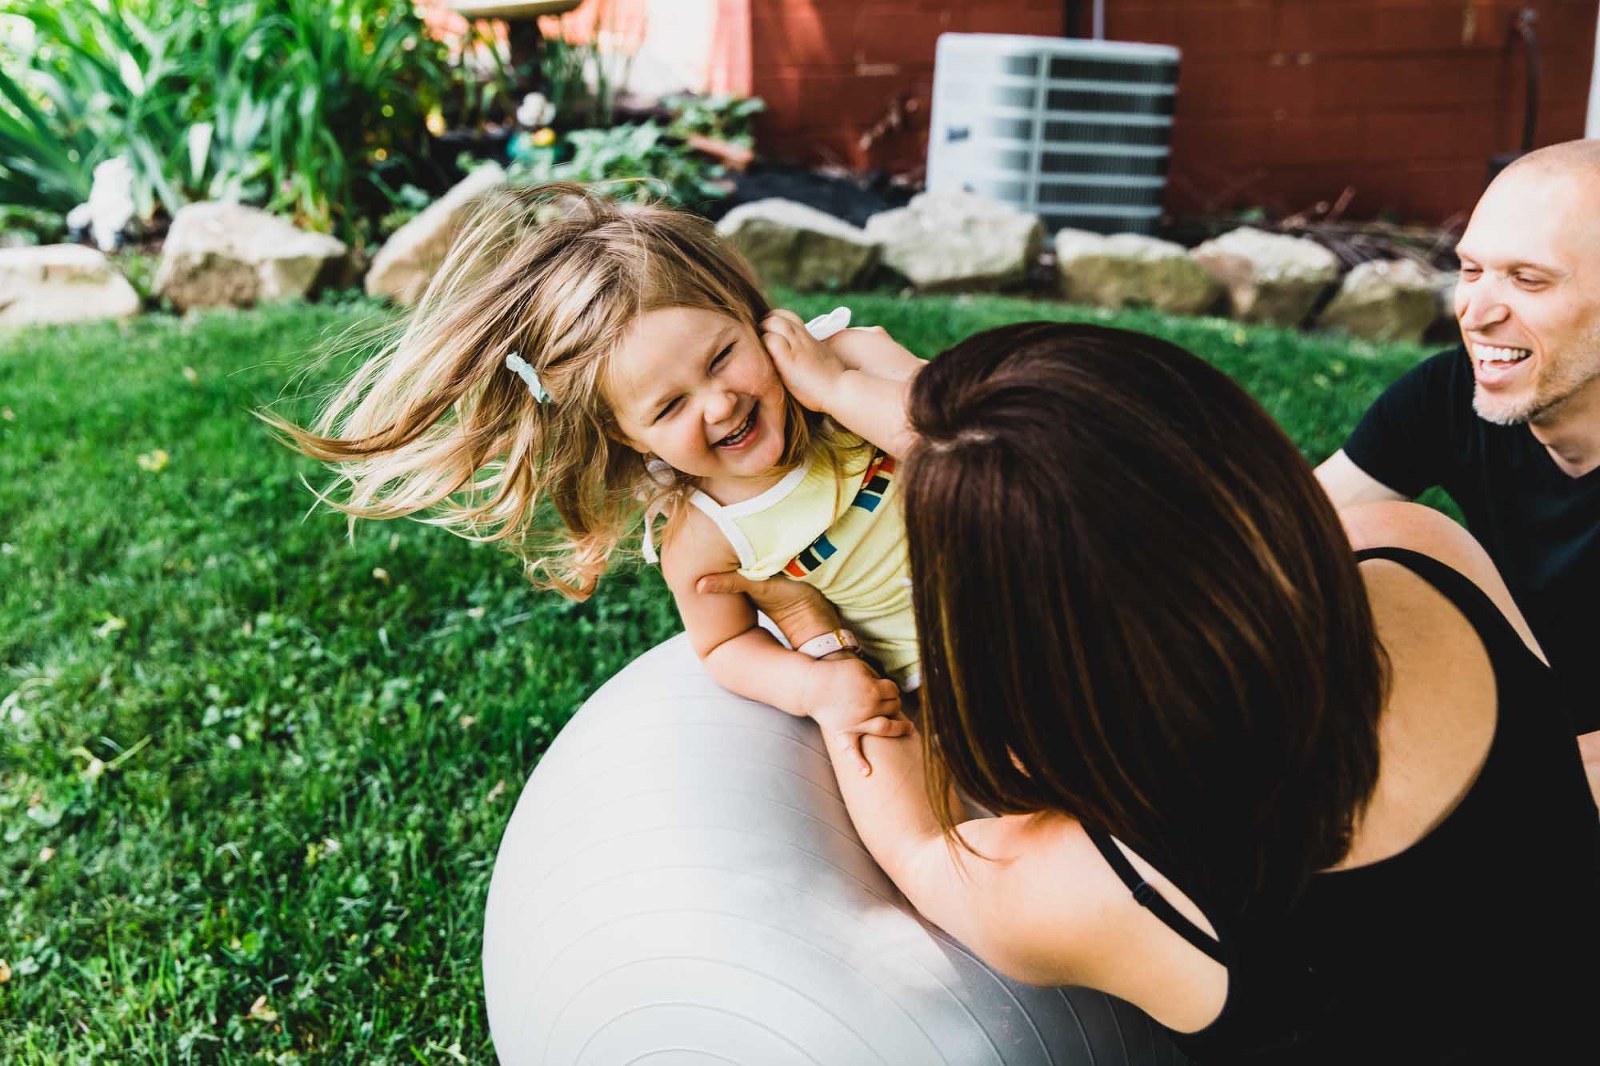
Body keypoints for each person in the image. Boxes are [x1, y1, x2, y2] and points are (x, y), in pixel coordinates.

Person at [705, 321, 1600, 1062]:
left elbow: (919, 846)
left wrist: (817, 643)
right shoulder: (1414, 550)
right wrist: (942, 412)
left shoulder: (1099, 879)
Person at [265, 183, 923, 771]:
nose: (719, 404)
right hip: (935, 679)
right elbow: (724, 643)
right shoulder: (706, 537)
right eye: (669, 406)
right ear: (625, 436)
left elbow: (973, 439)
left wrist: (835, 388)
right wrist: (811, 687)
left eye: (723, 356)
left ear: (747, 311)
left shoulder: (851, 362)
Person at [1316, 139, 1600, 736]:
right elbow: (1284, 539)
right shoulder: (1447, 394)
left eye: (1528, 280)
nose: (1475, 310)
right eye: (1471, 271)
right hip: (1505, 722)